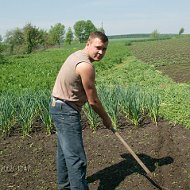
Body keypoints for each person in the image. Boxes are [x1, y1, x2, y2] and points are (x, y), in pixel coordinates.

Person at [49, 31, 113, 190]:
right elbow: (93, 101)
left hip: (58, 106)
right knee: (77, 159)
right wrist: (106, 119)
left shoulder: (77, 55)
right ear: (88, 43)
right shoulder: (86, 66)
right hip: (65, 111)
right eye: (98, 47)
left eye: (104, 49)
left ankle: (64, 187)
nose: (101, 52)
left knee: (64, 153)